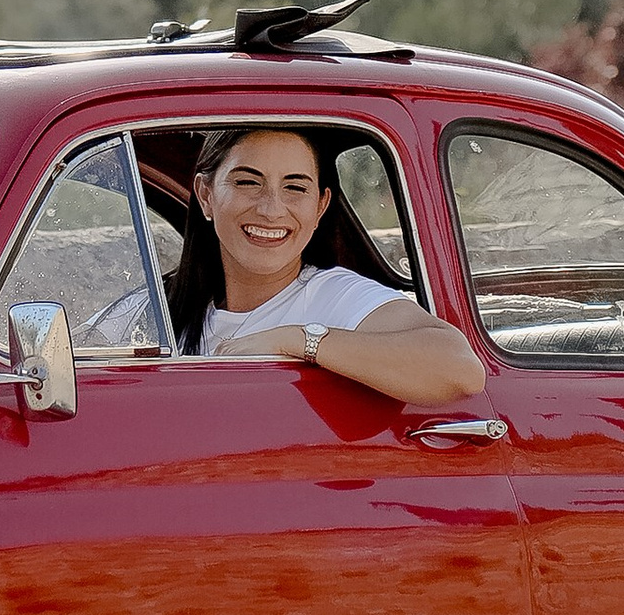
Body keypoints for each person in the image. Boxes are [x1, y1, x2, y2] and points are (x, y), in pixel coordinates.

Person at [165, 125, 485, 409]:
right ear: (205, 195)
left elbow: (459, 369)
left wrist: (297, 341)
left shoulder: (336, 296)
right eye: (248, 182)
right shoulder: (155, 306)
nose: (271, 209)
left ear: (320, 206)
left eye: (295, 188)